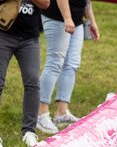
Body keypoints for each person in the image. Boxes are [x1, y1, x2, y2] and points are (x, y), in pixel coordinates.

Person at [0, 0, 50, 147]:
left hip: (30, 37)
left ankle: (29, 131)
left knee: (33, 82)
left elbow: (46, 3)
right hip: (1, 33)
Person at [36, 0, 100, 135]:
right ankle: (41, 114)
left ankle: (62, 113)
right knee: (54, 63)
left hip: (76, 20)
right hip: (57, 16)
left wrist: (91, 21)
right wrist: (67, 18)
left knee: (72, 64)